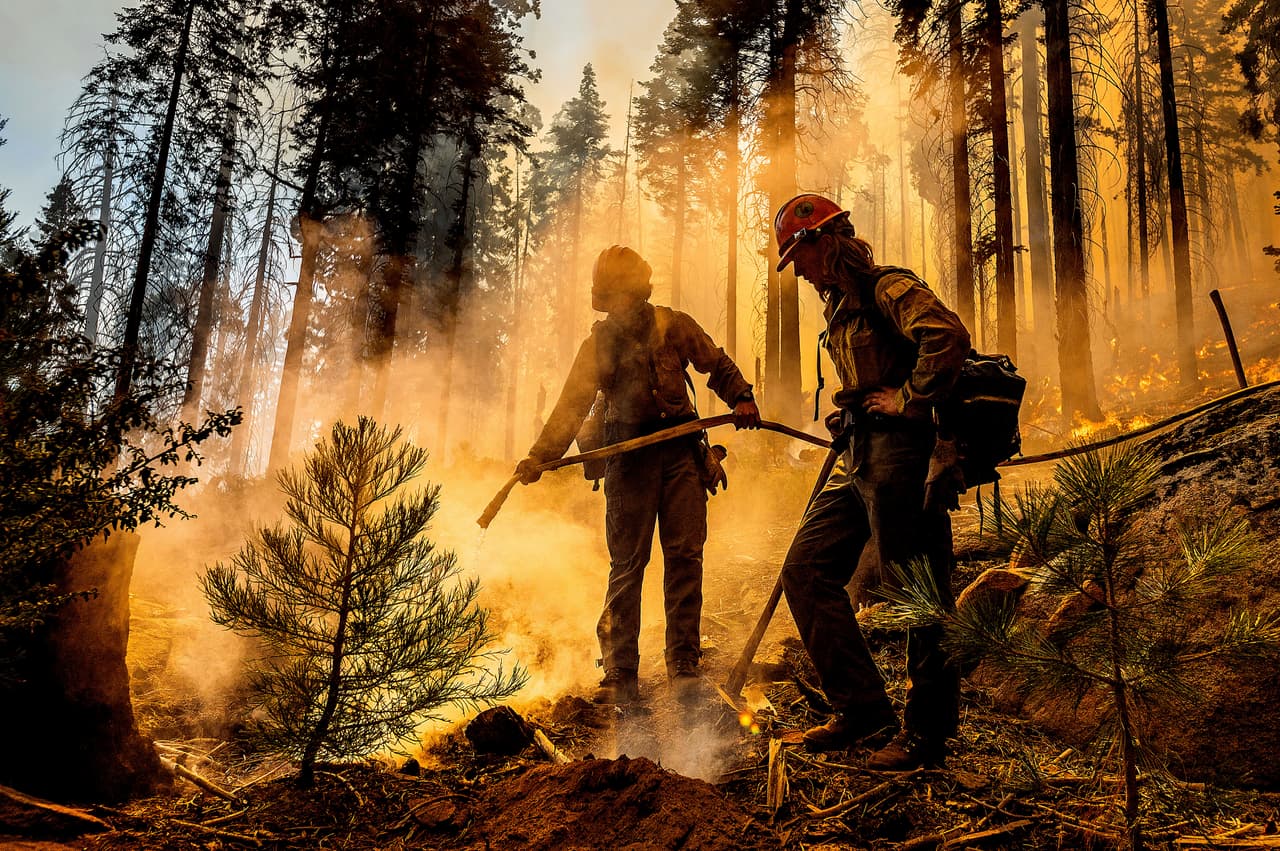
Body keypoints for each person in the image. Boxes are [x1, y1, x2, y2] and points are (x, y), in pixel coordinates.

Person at [774, 193, 971, 770]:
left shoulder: (888, 286)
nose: (801, 272)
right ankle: (863, 711)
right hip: (861, 450)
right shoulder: (841, 305)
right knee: (806, 572)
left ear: (823, 242)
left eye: (800, 258)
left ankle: (925, 736)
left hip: (903, 456)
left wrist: (909, 400)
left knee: (915, 586)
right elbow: (874, 371)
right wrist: (854, 406)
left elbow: (947, 337)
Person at [514, 245, 761, 704]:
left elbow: (715, 362)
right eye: (615, 295)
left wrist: (742, 397)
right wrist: (539, 456)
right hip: (628, 461)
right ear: (606, 298)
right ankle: (619, 671)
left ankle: (683, 662)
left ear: (640, 290)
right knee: (627, 565)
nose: (624, 303)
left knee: (685, 556)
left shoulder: (673, 325)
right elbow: (571, 406)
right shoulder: (599, 345)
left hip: (682, 453)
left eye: (629, 293)